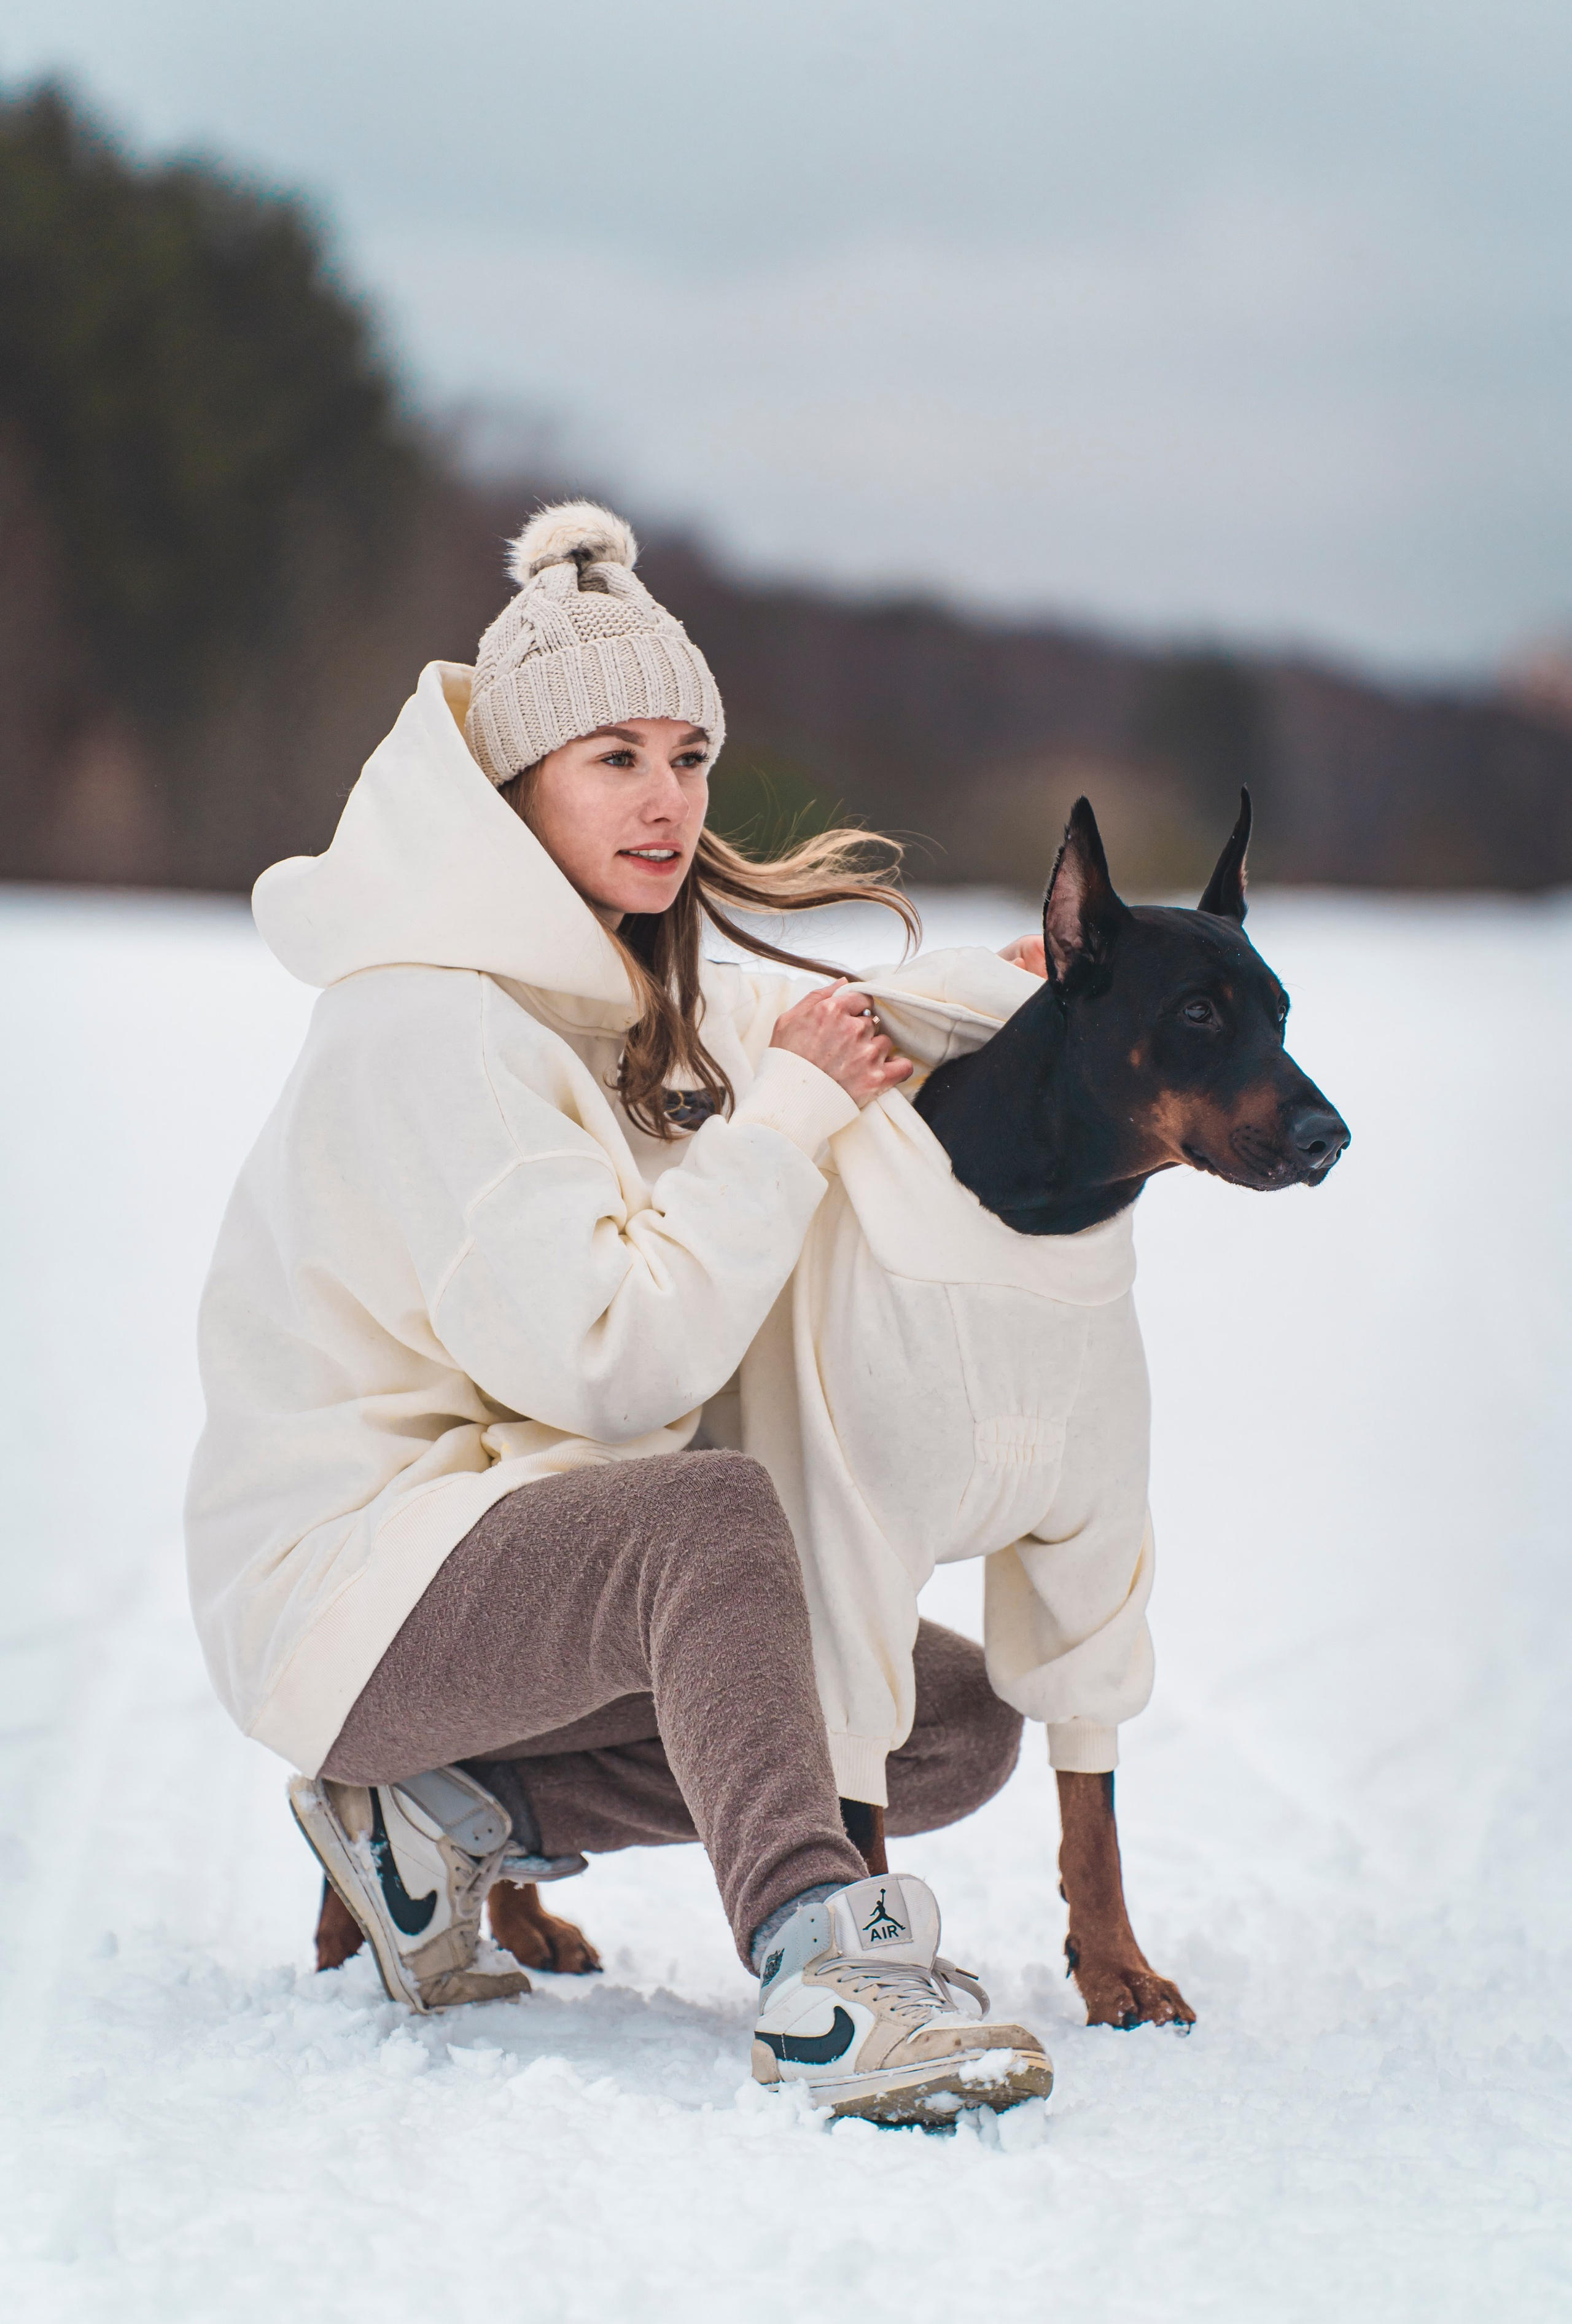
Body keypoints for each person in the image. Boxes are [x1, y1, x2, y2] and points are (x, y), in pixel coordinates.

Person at [186, 502, 1055, 2126]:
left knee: (941, 1717)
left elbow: (814, 1021)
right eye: (612, 758)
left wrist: (1019, 1004)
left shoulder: (609, 981)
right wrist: (786, 1118)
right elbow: (613, 1365)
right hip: (352, 1579)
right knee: (713, 1519)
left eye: (686, 754)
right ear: (516, 786)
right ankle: (822, 1974)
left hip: (501, 1559)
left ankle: (441, 1811)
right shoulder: (428, 1028)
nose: (667, 798)